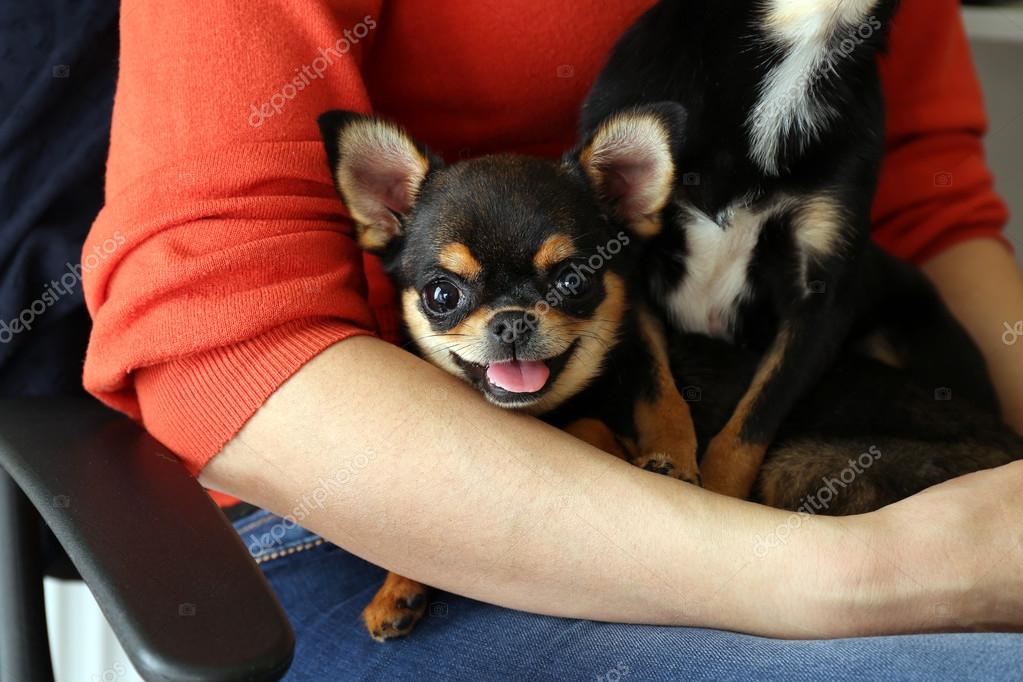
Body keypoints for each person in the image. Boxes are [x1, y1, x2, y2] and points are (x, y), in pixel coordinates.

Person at [80, 0, 1023, 679]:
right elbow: (218, 335)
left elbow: (923, 209)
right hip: (364, 512)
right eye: (450, 292)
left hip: (811, 430)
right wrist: (855, 576)